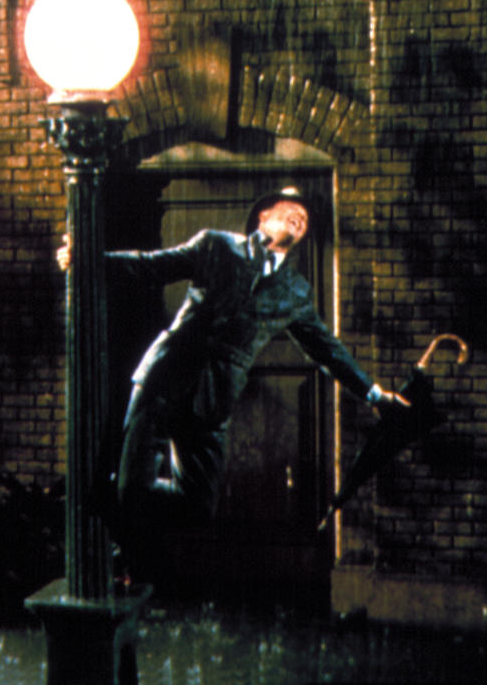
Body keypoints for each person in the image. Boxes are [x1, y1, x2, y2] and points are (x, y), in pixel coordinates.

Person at [56, 186, 408, 573]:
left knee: (197, 505)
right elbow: (151, 265)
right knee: (131, 490)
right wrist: (86, 256)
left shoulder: (296, 293)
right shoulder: (217, 246)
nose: (299, 218)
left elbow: (327, 350)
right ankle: (116, 509)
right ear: (263, 218)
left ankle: (106, 497)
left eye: (304, 219)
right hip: (163, 380)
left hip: (212, 402)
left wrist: (374, 394)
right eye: (289, 210)